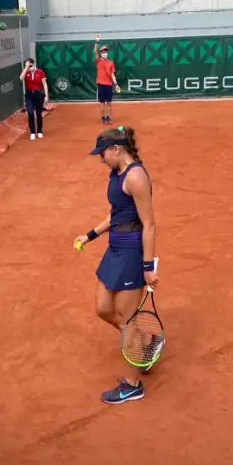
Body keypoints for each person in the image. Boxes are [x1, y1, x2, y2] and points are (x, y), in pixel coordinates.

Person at [75, 126, 160, 405]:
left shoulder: (136, 177)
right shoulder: (116, 173)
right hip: (115, 249)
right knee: (103, 309)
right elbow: (116, 214)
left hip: (132, 251)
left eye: (103, 154)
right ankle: (144, 345)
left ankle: (132, 384)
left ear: (116, 149)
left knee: (128, 321)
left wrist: (148, 266)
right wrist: (89, 235)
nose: (101, 160)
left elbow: (149, 224)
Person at [93, 33, 120, 125]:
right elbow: (95, 51)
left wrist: (116, 84)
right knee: (102, 103)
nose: (105, 53)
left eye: (106, 51)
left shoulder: (111, 62)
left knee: (109, 103)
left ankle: (108, 117)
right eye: (103, 52)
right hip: (100, 84)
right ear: (101, 53)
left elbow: (112, 74)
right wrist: (97, 41)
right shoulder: (98, 61)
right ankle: (103, 118)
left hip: (109, 84)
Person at [20, 58, 48, 141]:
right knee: (30, 113)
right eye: (27, 65)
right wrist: (26, 68)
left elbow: (44, 84)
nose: (29, 66)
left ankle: (39, 131)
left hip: (38, 94)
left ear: (33, 64)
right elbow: (21, 78)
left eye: (30, 64)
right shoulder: (26, 72)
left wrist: (46, 95)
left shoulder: (40, 72)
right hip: (29, 95)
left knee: (39, 114)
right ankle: (32, 132)